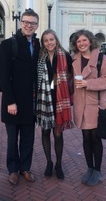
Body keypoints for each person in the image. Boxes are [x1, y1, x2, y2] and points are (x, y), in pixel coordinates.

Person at [0, 8, 40, 185]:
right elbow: (3, 76)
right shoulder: (9, 44)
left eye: (32, 23)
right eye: (26, 22)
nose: (29, 25)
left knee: (28, 139)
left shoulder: (39, 46)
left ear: (37, 25)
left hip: (31, 102)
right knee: (12, 139)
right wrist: (10, 101)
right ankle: (13, 170)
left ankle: (25, 168)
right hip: (13, 102)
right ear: (21, 23)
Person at [70, 29, 106, 186]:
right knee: (85, 137)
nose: (81, 44)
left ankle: (97, 170)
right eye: (78, 41)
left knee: (95, 138)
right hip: (80, 105)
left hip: (95, 105)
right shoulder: (73, 59)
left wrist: (88, 83)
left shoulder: (101, 58)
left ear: (90, 41)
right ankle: (89, 168)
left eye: (84, 40)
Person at [36, 29, 73, 180]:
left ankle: (58, 164)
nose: (49, 43)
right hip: (44, 100)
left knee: (58, 133)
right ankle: (49, 162)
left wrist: (60, 85)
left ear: (56, 40)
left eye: (51, 39)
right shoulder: (39, 57)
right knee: (45, 132)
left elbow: (71, 75)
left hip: (59, 99)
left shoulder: (65, 56)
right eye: (46, 40)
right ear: (43, 43)